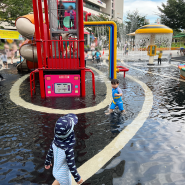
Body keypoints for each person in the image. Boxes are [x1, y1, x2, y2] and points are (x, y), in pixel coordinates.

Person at [45, 114, 83, 185]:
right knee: (62, 180)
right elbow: (71, 165)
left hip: (55, 171)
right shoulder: (68, 149)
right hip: (64, 175)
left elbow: (50, 153)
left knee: (58, 180)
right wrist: (77, 178)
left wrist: (47, 162)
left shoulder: (54, 142)